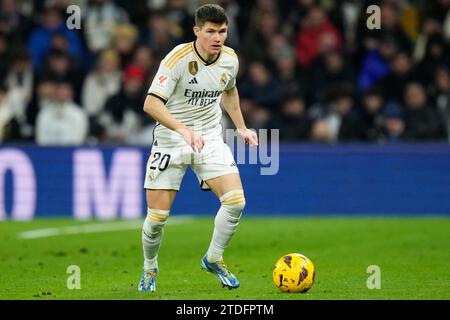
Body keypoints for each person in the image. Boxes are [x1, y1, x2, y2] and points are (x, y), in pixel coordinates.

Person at [138, 4, 258, 292]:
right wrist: (182, 129)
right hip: (171, 138)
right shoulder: (177, 59)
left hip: (209, 137)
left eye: (223, 31)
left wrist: (241, 126)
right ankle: (150, 268)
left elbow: (228, 90)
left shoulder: (229, 59)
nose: (218, 38)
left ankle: (213, 258)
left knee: (236, 202)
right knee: (156, 220)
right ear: (197, 31)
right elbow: (151, 104)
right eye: (211, 31)